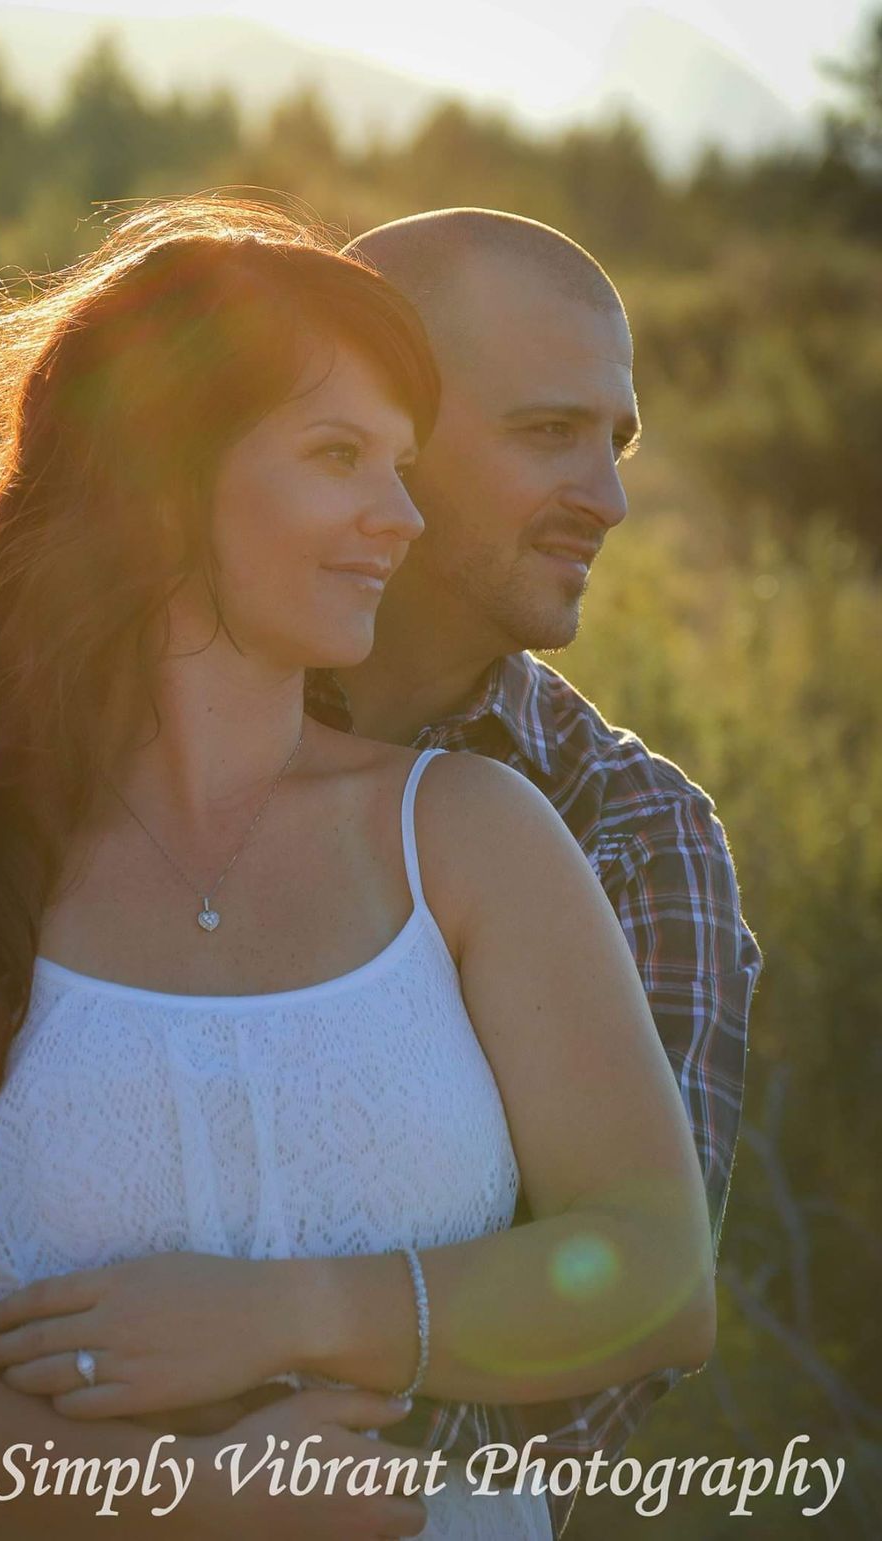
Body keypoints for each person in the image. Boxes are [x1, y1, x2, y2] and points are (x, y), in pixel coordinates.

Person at [0, 198, 716, 1541]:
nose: (399, 516)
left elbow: (659, 1283)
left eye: (403, 461)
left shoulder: (486, 832)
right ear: (160, 479)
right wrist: (182, 1499)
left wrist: (291, 1312)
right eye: (340, 456)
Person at [312, 206, 761, 1535]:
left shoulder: (631, 832)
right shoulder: (103, 763)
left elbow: (615, 1348)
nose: (610, 499)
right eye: (548, 432)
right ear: (376, 439)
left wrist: (269, 1455)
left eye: (615, 444)